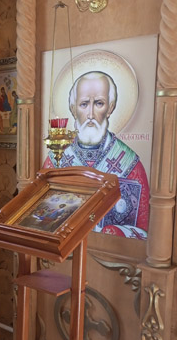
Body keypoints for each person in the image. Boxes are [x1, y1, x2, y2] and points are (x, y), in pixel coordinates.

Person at [43, 71, 150, 239]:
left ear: (110, 108)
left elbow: (143, 230)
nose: (91, 114)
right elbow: (40, 217)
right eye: (84, 104)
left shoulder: (130, 165)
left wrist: (114, 232)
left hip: (108, 251)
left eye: (99, 103)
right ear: (73, 109)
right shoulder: (55, 160)